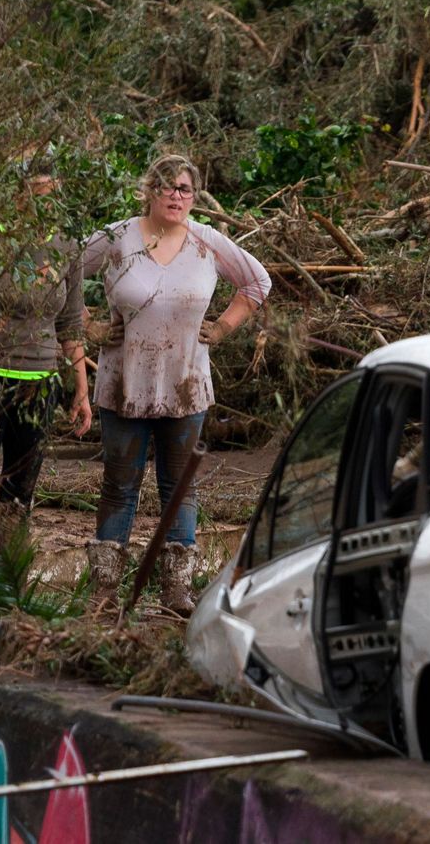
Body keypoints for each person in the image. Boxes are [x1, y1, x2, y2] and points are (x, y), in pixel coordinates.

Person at [76, 154, 270, 613]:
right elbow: (59, 274)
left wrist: (222, 328)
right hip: (124, 384)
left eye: (185, 189)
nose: (177, 196)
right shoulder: (117, 238)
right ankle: (105, 593)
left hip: (186, 386)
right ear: (149, 189)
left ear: (194, 195)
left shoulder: (207, 242)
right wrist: (89, 327)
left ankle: (175, 592)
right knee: (119, 486)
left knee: (180, 487)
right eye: (168, 187)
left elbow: (257, 282)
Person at [0, 164, 92, 557]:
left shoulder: (67, 242)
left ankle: (8, 585)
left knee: (20, 491)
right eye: (32, 193)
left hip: (38, 382)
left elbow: (71, 322)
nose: (40, 202)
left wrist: (81, 388)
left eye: (48, 194)